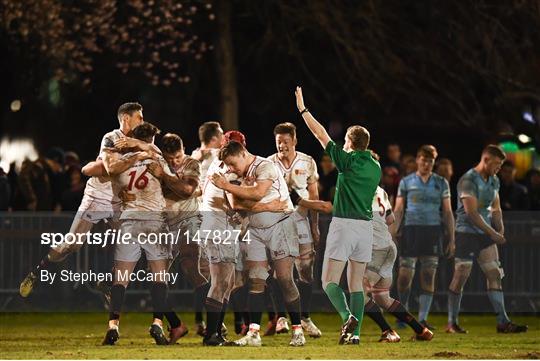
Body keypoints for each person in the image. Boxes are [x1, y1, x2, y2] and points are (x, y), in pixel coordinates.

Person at [19, 102, 144, 298]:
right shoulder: (111, 138)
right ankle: (37, 271)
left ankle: (108, 284)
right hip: (98, 197)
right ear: (126, 118)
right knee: (72, 244)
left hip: (118, 201)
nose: (143, 121)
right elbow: (111, 168)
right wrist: (137, 155)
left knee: (133, 244)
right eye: (140, 117)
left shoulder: (139, 141)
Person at [290, 185, 433, 343]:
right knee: (382, 297)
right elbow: (390, 219)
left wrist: (299, 200)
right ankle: (421, 330)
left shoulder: (352, 185)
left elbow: (327, 207)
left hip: (374, 246)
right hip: (388, 245)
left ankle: (386, 331)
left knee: (359, 291)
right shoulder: (380, 190)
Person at [295, 86, 381, 345]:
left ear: (350, 143)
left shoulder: (348, 161)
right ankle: (354, 335)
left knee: (328, 280)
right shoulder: (375, 166)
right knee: (356, 285)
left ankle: (347, 317)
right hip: (366, 227)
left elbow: (320, 134)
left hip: (344, 225)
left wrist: (302, 109)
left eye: (345, 141)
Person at [211, 141, 305, 347]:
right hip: (254, 230)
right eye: (227, 165)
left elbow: (257, 193)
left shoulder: (265, 166)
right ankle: (254, 333)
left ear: (243, 153)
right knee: (255, 279)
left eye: (233, 163)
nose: (231, 169)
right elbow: (236, 204)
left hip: (280, 227)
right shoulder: (235, 176)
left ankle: (298, 329)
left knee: (284, 279)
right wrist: (268, 206)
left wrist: (228, 187)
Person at [101, 122, 174, 345]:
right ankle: (157, 325)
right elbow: (171, 184)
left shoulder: (123, 163)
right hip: (154, 221)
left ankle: (113, 326)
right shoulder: (157, 159)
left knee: (120, 280)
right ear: (151, 139)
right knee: (159, 278)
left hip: (129, 221)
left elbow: (107, 176)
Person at [447, 145, 528, 334]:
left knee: (494, 273)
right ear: (486, 160)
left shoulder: (494, 180)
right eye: (497, 164)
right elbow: (471, 212)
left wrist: (500, 227)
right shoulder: (468, 180)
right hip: (466, 232)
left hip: (485, 234)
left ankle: (503, 321)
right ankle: (452, 323)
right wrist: (492, 233)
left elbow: (496, 208)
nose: (499, 169)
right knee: (461, 274)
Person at [267, 122, 322, 338]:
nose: (282, 145)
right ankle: (281, 317)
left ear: (294, 141)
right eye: (278, 142)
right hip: (277, 223)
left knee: (306, 270)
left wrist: (315, 226)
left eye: (286, 141)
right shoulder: (269, 163)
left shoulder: (307, 162)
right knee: (278, 271)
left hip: (301, 222)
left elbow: (314, 196)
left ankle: (305, 317)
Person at [392, 145, 455, 331]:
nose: (426, 164)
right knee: (404, 276)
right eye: (423, 160)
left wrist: (452, 238)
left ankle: (423, 318)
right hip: (411, 231)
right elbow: (398, 209)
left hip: (433, 231)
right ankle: (403, 315)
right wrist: (393, 232)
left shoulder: (442, 183)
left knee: (428, 275)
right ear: (417, 159)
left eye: (430, 161)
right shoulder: (406, 182)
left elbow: (448, 211)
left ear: (433, 163)